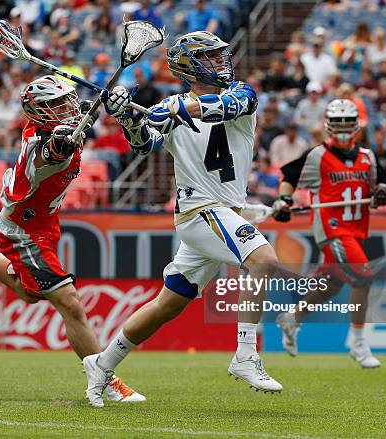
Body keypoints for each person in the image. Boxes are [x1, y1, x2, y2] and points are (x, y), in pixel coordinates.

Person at [85, 31, 284, 408]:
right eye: (211, 57)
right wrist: (126, 114)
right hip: (200, 211)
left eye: (220, 56)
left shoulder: (242, 93)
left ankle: (102, 363)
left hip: (222, 213)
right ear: (189, 65)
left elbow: (226, 107)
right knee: (264, 261)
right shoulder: (171, 105)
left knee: (169, 304)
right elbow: (145, 144)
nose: (221, 62)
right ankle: (245, 354)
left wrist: (182, 111)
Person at [0, 75, 144, 404]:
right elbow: (50, 153)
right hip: (23, 230)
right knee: (70, 303)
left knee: (29, 294)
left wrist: (110, 103)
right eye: (57, 104)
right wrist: (62, 142)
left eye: (67, 101)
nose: (67, 107)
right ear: (40, 113)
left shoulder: (61, 125)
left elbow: (84, 116)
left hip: (43, 223)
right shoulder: (45, 146)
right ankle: (107, 380)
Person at [273, 99, 386, 368]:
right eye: (337, 123)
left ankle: (292, 317)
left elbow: (382, 184)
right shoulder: (318, 155)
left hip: (357, 230)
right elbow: (289, 177)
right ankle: (359, 343)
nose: (342, 128)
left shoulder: (367, 157)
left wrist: (381, 192)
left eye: (347, 122)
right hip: (333, 231)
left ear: (356, 125)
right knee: (363, 278)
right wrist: (284, 200)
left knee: (331, 284)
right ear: (328, 125)